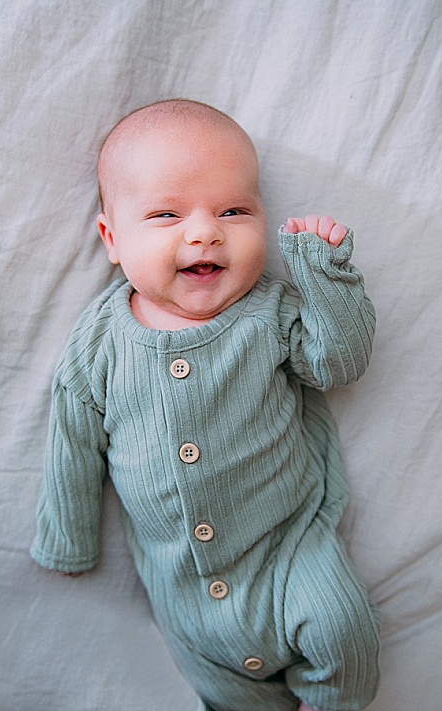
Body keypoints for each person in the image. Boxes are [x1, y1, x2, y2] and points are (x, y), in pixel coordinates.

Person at [30, 99, 379, 711]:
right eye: (165, 214)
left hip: (289, 552)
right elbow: (73, 440)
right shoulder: (100, 343)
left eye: (234, 211)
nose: (204, 232)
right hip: (183, 591)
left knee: (343, 633)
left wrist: (325, 277)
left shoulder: (266, 312)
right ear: (113, 238)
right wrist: (69, 537)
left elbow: (337, 363)